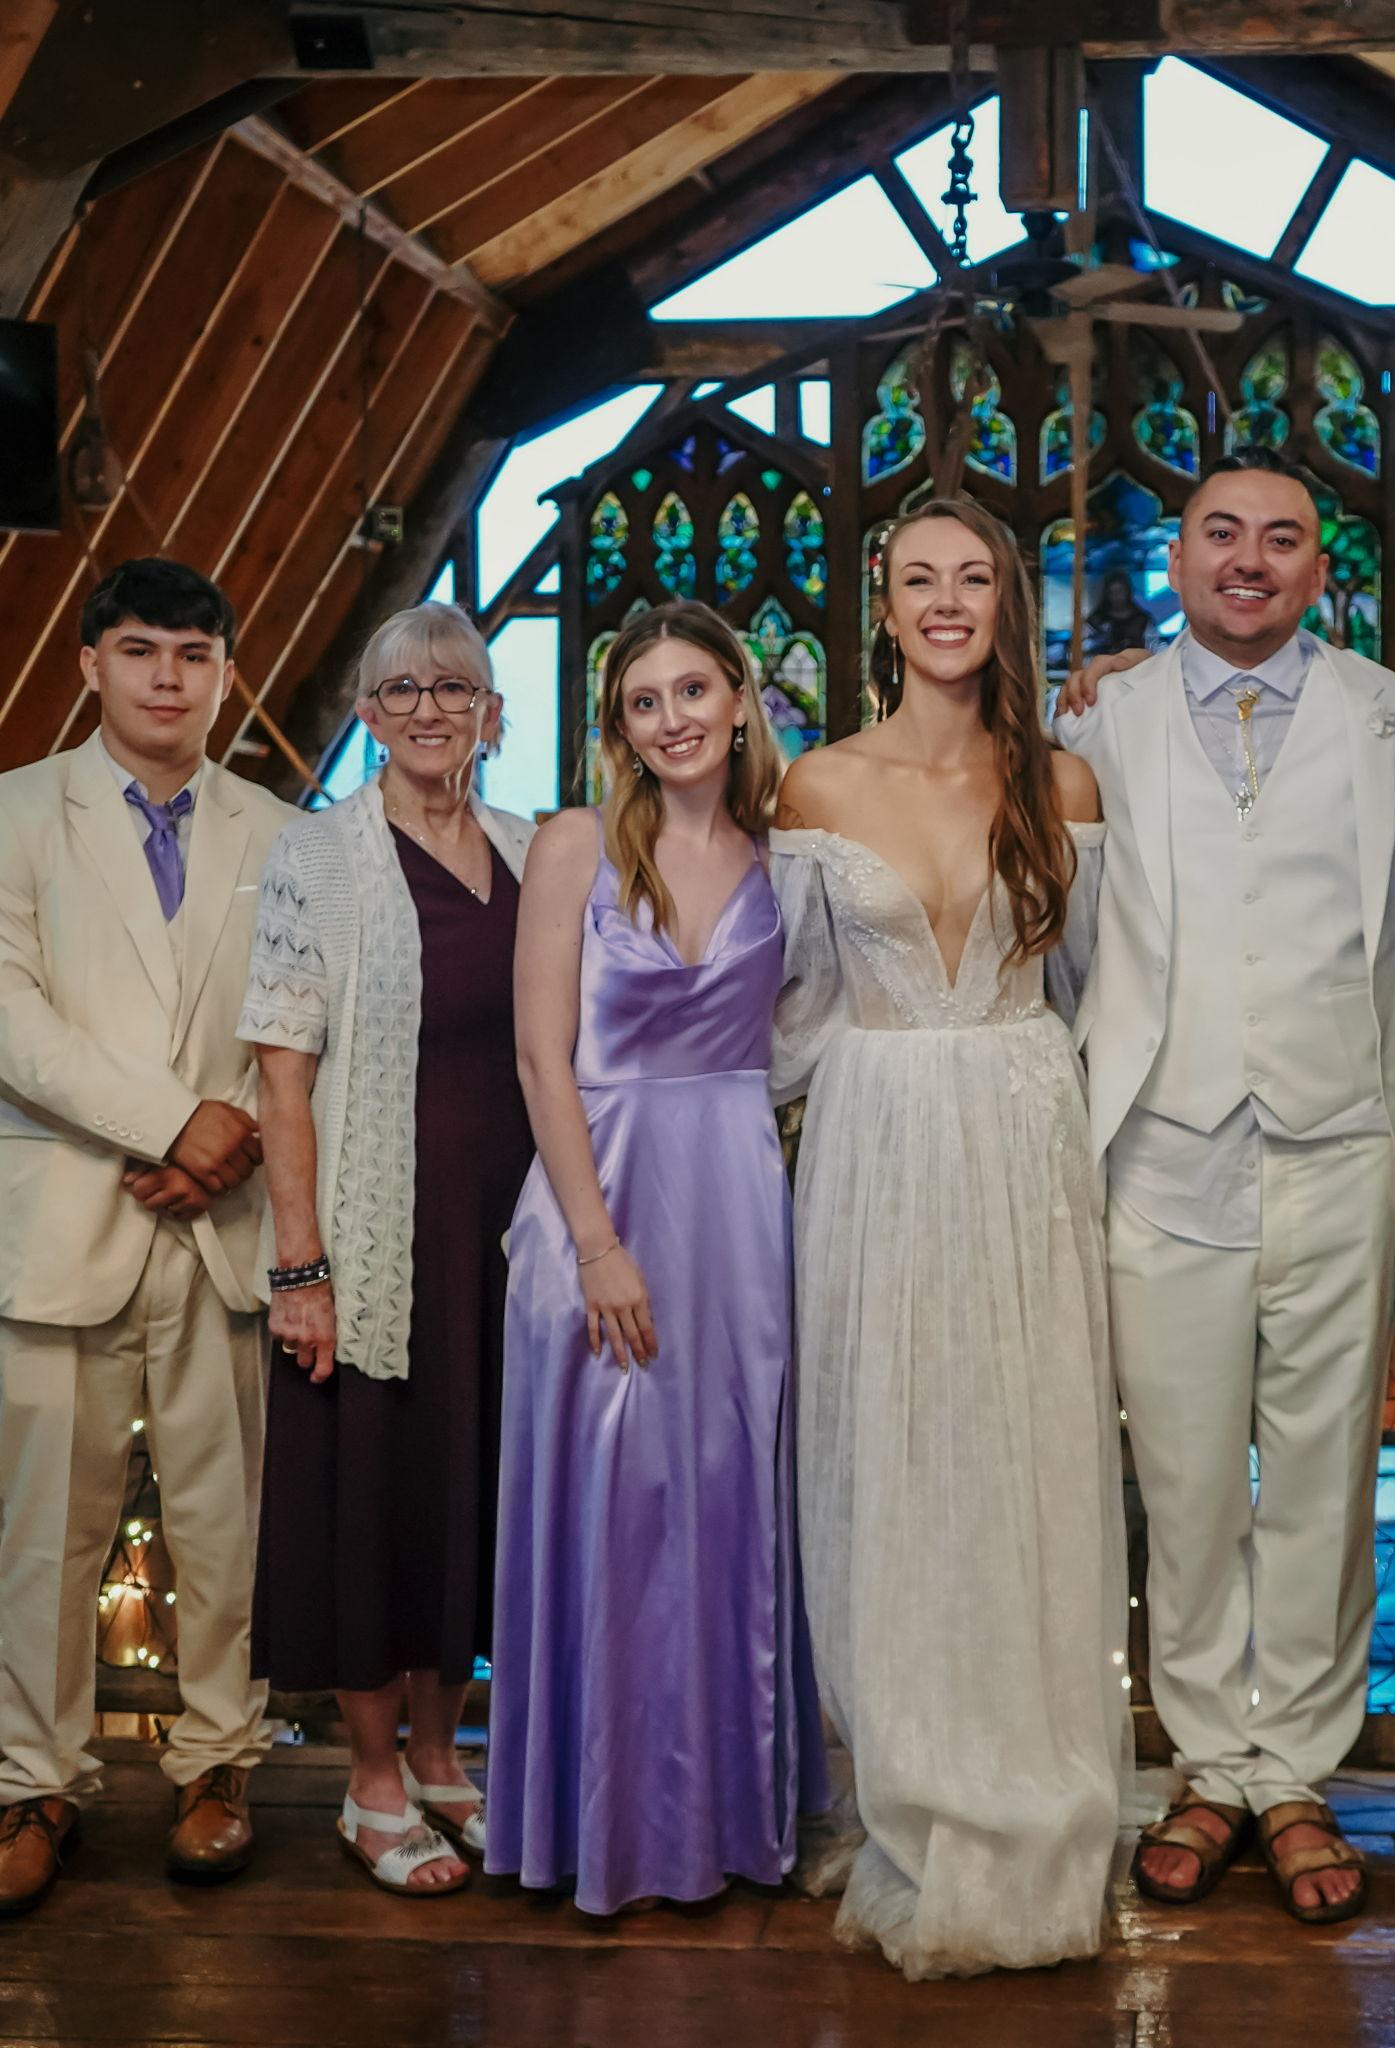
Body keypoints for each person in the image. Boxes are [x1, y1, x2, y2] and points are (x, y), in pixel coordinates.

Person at [1056, 446, 1395, 1925]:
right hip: (1164, 1145)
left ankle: (1296, 1774)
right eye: (1222, 533)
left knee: (1327, 1480)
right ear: (1179, 559)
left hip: (1341, 1142)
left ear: (1316, 566)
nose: (1249, 560)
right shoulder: (1099, 716)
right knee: (1188, 1480)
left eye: (1282, 538)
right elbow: (1070, 933)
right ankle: (1208, 1765)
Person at [769, 496, 1125, 1979]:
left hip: (1023, 1132)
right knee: (888, 1453)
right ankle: (905, 1783)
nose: (947, 601)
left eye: (974, 577)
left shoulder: (1060, 777)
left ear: (1007, 604)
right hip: (874, 1142)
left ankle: (1028, 1779)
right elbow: (788, 1003)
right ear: (885, 604)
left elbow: (1096, 987)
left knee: (1022, 1453)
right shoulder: (816, 784)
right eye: (920, 578)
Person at [488, 602, 827, 1915]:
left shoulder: (790, 849)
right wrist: (596, 1247)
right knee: (612, 1509)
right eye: (645, 701)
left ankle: (728, 1819)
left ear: (740, 701)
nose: (674, 718)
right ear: (619, 729)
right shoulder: (575, 843)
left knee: (729, 1501)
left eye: (694, 691)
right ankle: (600, 1829)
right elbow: (540, 1057)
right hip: (600, 1195)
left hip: (736, 1207)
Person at [0, 559, 293, 1912]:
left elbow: (311, 1023)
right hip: (71, 1209)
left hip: (225, 1221)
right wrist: (175, 1123)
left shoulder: (285, 834)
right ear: (89, 664)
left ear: (227, 673)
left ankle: (218, 1763)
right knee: (42, 1535)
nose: (167, 678)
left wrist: (229, 1137)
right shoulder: (15, 814)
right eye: (139, 650)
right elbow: (13, 1021)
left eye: (193, 654)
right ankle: (35, 1781)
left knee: (226, 1525)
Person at [239, 602, 534, 1897]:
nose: (428, 708)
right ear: (366, 715)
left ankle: (438, 1755)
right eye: (401, 689)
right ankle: (369, 1784)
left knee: (467, 1491)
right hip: (375, 1235)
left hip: (506, 1237)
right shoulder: (320, 855)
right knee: (374, 1500)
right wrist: (302, 1266)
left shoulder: (530, 847)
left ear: (491, 714)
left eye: (453, 687)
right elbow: (281, 1077)